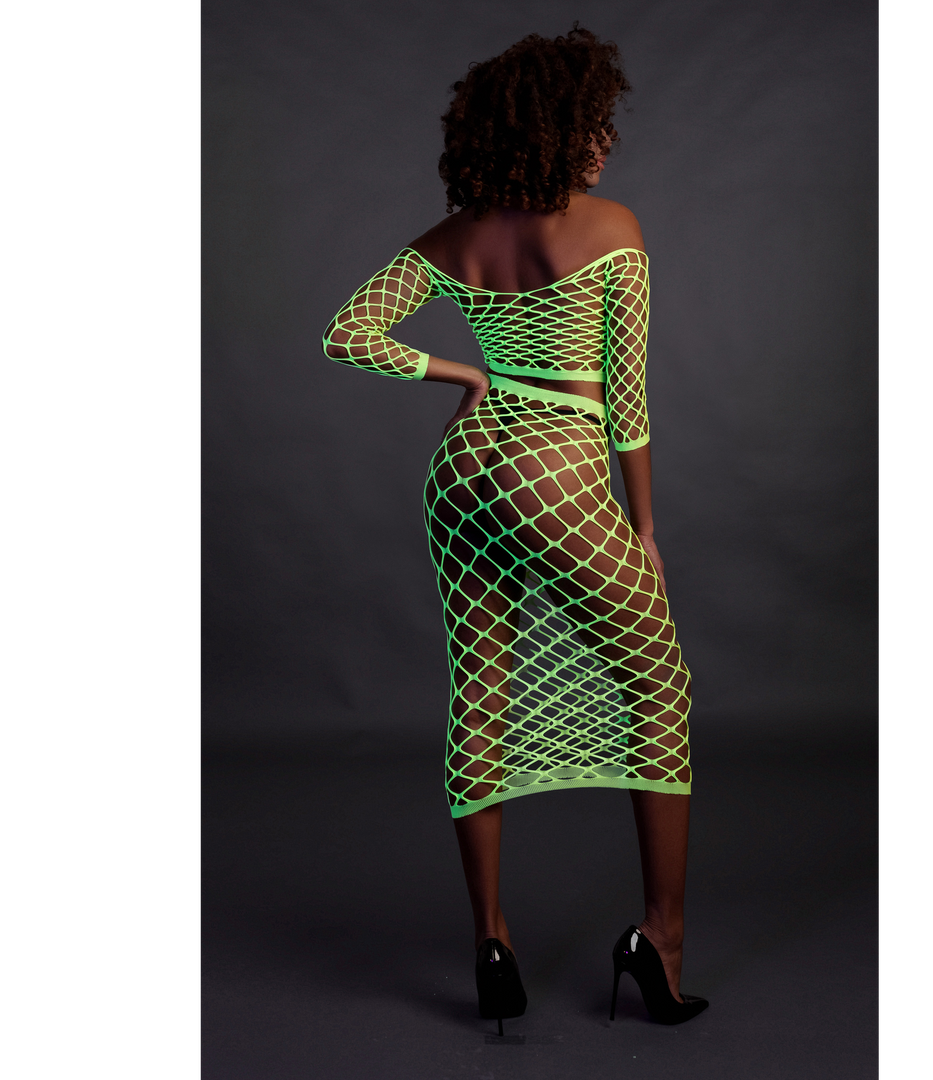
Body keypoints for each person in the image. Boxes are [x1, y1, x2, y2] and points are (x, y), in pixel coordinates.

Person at [323, 25, 707, 1030]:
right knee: (659, 687)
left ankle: (490, 939)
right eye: (596, 124)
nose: (608, 142)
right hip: (557, 469)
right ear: (559, 129)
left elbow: (346, 333)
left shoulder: (451, 239)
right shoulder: (613, 228)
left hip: (463, 473)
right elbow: (628, 404)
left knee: (481, 692)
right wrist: (646, 526)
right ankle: (660, 943)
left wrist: (464, 372)